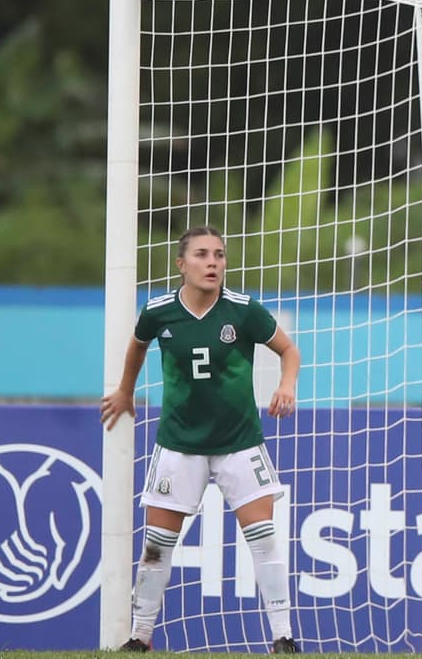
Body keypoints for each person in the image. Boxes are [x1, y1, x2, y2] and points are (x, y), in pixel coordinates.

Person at [100, 225, 301, 653]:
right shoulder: (158, 312)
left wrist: (287, 385)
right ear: (181, 264)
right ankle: (139, 637)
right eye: (203, 255)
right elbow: (137, 346)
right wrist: (124, 390)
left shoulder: (244, 310)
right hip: (178, 445)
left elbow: (289, 350)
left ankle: (283, 637)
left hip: (240, 443)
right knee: (156, 548)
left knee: (264, 539)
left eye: (220, 255)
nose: (213, 263)